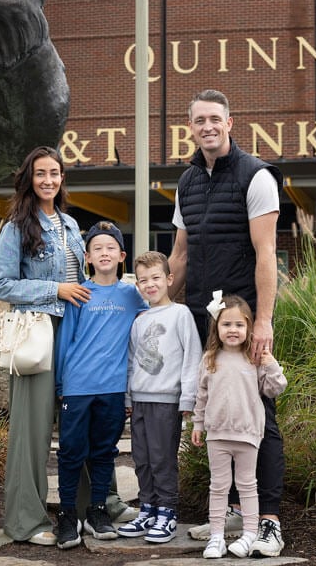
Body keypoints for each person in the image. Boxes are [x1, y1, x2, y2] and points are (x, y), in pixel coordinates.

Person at [167, 89, 287, 556]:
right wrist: (155, 307)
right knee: (219, 410)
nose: (207, 127)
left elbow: (267, 252)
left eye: (215, 119)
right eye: (199, 121)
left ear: (230, 122)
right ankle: (238, 511)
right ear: (191, 127)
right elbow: (180, 254)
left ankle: (270, 521)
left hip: (243, 318)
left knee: (261, 416)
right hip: (203, 317)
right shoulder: (186, 182)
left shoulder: (256, 176)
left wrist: (264, 322)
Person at [0, 146, 90, 545]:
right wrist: (56, 289)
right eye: (40, 173)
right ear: (29, 179)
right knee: (31, 432)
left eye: (55, 173)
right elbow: (1, 285)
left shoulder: (70, 223)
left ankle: (89, 508)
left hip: (75, 332)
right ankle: (26, 521)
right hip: (38, 331)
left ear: (62, 178)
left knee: (79, 419)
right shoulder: (17, 225)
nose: (48, 180)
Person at [53, 221, 146, 548]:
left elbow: (150, 322)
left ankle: (97, 511)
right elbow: (65, 340)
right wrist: (60, 383)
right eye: (97, 249)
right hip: (77, 387)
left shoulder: (133, 296)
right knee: (71, 451)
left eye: (110, 248)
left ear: (121, 256)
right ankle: (66, 515)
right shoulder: (79, 292)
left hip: (113, 388)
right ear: (88, 258)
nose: (104, 253)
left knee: (105, 451)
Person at [191, 294, 288, 559]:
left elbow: (275, 388)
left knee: (247, 485)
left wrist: (271, 365)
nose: (232, 330)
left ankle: (248, 535)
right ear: (217, 328)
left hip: (247, 435)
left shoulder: (254, 360)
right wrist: (198, 423)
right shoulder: (210, 358)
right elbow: (201, 396)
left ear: (249, 329)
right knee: (219, 486)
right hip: (217, 435)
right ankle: (216, 537)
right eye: (226, 325)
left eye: (239, 325)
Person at [117, 251, 201, 544]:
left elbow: (192, 357)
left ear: (169, 279)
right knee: (142, 459)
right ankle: (148, 509)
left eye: (155, 278)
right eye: (143, 280)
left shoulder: (181, 314)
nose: (150, 285)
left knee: (163, 459)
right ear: (137, 285)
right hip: (139, 400)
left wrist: (187, 400)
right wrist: (128, 397)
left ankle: (167, 512)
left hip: (167, 401)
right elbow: (130, 360)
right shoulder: (139, 320)